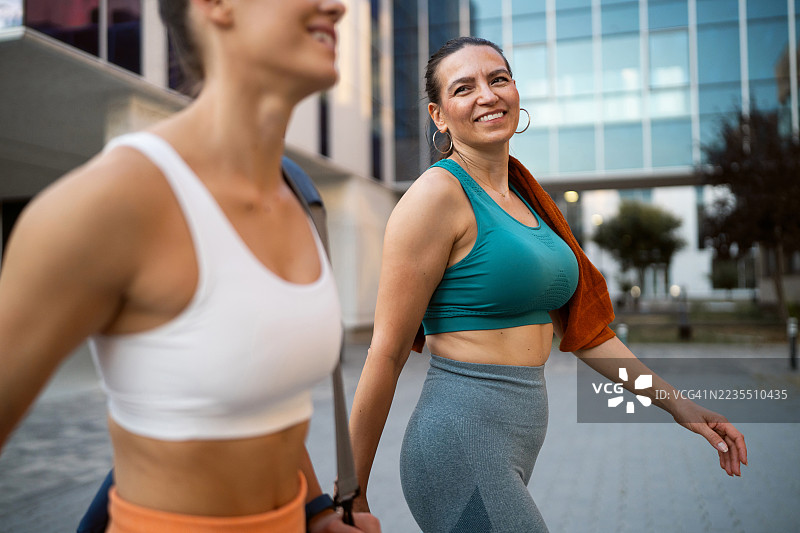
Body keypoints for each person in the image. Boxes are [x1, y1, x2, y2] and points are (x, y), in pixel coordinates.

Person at [0, 1, 380, 532]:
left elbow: (268, 399)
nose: (336, 7)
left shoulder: (298, 196)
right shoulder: (111, 203)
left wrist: (316, 514)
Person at [348, 36, 747, 533]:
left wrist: (681, 407)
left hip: (510, 448)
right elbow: (385, 353)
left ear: (516, 90)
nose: (487, 95)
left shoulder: (527, 200)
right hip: (457, 448)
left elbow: (589, 335)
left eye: (498, 80)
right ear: (439, 115)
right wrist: (351, 494)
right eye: (464, 88)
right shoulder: (436, 196)